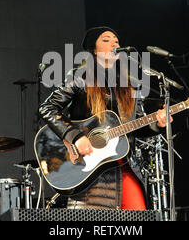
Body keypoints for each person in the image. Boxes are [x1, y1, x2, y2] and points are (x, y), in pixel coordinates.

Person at [39, 26, 172, 210]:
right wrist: (74, 137)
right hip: (88, 169)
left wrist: (157, 124)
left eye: (116, 41)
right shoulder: (80, 76)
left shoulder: (130, 84)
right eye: (106, 39)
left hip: (124, 167)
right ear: (94, 49)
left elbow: (136, 126)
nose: (114, 43)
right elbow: (48, 108)